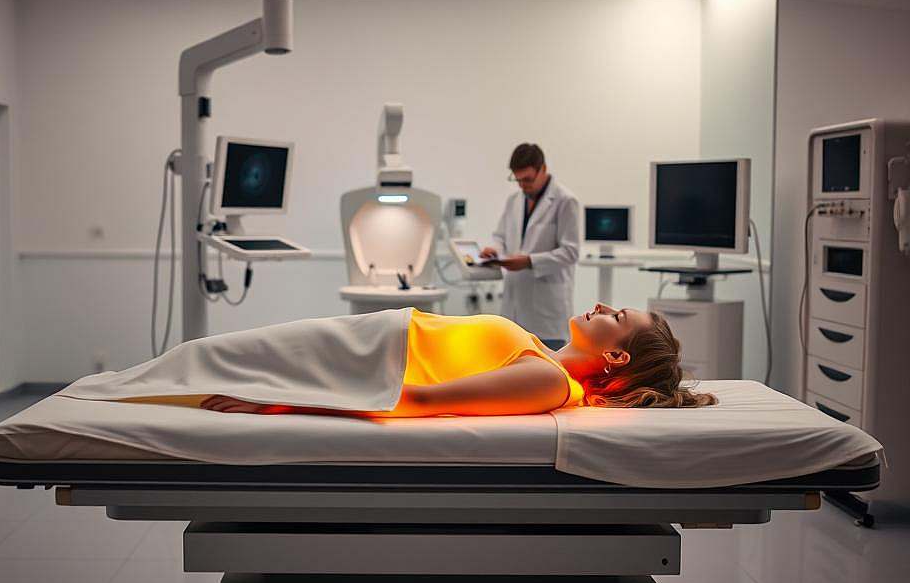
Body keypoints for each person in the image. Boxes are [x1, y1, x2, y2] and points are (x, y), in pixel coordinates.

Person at [198, 303, 717, 417]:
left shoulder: (548, 381)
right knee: (199, 362)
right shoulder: (541, 353)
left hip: (355, 358)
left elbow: (422, 401)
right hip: (357, 340)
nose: (601, 306)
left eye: (617, 315)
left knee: (200, 367)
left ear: (615, 354)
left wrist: (283, 403)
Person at [481, 143, 581, 351]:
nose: (522, 186)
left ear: (543, 169)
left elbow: (570, 252)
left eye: (527, 179)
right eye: (518, 180)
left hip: (546, 313)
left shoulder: (565, 201)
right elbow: (500, 236)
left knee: (546, 367)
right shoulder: (514, 200)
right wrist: (495, 250)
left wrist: (529, 262)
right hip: (514, 307)